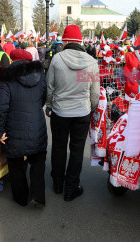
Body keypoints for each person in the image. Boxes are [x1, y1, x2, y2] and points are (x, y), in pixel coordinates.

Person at [46, 25, 99, 202]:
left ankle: (58, 183)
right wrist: (91, 108)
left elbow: (50, 87)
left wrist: (49, 105)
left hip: (60, 112)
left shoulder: (57, 59)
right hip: (81, 112)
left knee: (59, 148)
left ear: (66, 41)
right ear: (81, 41)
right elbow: (95, 93)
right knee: (76, 151)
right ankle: (71, 187)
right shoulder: (92, 62)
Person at [0, 49, 47, 206]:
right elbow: (44, 98)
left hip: (13, 128)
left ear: (12, 60)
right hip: (37, 127)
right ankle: (37, 195)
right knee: (38, 161)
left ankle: (21, 198)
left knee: (15, 164)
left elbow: (0, 107)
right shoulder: (40, 77)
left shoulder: (6, 78)